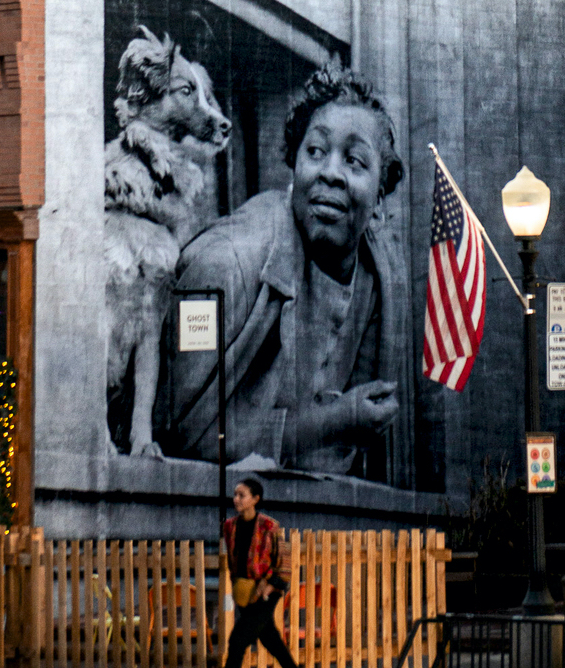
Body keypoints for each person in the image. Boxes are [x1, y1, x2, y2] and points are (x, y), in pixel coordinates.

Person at [171, 63, 410, 484]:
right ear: (294, 166)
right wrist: (334, 421)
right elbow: (179, 433)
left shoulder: (380, 280)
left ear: (380, 198)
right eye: (314, 151)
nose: (330, 172)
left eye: (354, 161)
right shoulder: (222, 266)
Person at [201, 479, 318, 668]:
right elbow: (235, 562)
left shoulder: (269, 526)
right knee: (270, 639)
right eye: (235, 495)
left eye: (242, 495)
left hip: (267, 592)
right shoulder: (230, 527)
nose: (236, 499)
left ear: (256, 499)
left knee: (238, 639)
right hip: (245, 592)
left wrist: (269, 586)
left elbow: (283, 563)